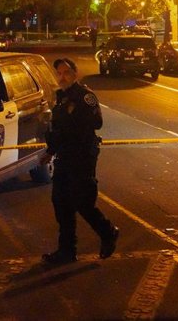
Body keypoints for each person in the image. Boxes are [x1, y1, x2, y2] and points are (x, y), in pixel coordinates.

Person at [40, 57, 119, 265]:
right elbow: (58, 130)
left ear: (75, 74)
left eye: (66, 72)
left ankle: (108, 232)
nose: (62, 77)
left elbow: (97, 122)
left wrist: (75, 116)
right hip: (64, 157)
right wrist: (50, 151)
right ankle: (66, 251)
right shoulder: (59, 98)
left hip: (82, 156)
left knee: (83, 202)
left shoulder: (85, 97)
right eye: (58, 73)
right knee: (61, 203)